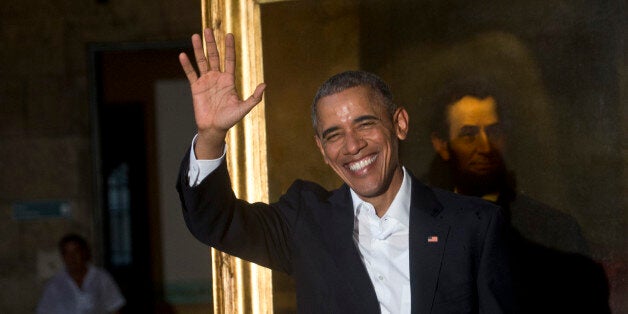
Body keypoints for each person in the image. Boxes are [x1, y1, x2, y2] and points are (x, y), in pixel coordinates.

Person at [176, 28, 513, 313]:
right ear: (322, 150)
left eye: (364, 125)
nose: (352, 146)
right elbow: (214, 220)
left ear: (400, 124)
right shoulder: (305, 222)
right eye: (334, 135)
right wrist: (211, 135)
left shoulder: (474, 225)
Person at [426, 77, 610, 313]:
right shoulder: (423, 227)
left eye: (492, 132)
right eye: (469, 135)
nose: (485, 147)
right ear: (441, 144)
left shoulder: (555, 230)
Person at [37, 234, 126, 314]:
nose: (72, 258)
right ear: (63, 256)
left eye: (76, 252)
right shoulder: (54, 285)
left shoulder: (101, 278)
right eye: (67, 253)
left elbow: (115, 307)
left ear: (84, 253)